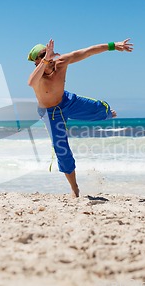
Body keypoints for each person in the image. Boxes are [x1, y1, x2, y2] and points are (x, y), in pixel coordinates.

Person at [27, 38, 134, 197]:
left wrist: (113, 46)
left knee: (102, 108)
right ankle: (74, 187)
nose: (47, 56)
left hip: (67, 101)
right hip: (51, 114)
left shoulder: (62, 62)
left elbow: (87, 51)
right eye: (42, 55)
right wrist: (45, 59)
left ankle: (104, 115)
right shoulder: (38, 76)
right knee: (62, 150)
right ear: (37, 62)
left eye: (47, 52)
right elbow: (30, 83)